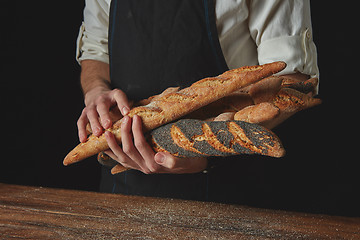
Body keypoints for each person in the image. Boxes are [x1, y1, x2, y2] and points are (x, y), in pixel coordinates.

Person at [75, 0, 319, 202]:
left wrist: (205, 153)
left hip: (232, 195)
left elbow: (293, 82)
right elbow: (96, 50)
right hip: (123, 194)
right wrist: (96, 90)